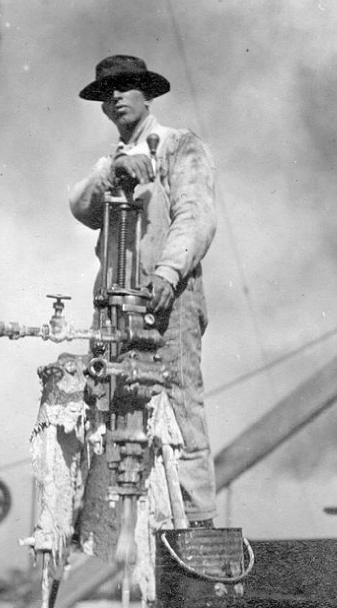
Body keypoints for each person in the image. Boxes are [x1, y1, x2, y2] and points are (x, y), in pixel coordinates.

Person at [69, 55, 217, 526]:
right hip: (115, 308)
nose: (115, 97)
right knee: (113, 407)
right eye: (106, 92)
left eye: (126, 87)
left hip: (166, 301)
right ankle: (125, 540)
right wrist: (113, 173)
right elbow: (81, 206)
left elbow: (194, 217)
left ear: (147, 95)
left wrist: (168, 275)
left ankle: (196, 532)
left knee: (178, 407)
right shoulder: (110, 163)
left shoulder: (179, 147)